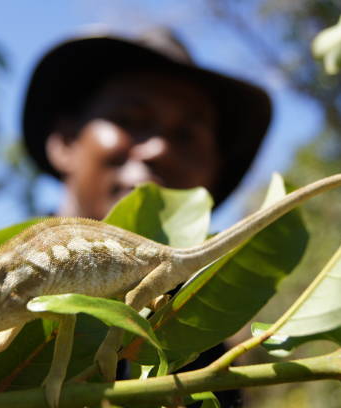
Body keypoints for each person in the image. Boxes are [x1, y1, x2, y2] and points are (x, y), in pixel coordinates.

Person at [20, 27, 272, 407]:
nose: (158, 148)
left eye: (186, 135)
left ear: (214, 172)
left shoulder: (207, 364)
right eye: (130, 118)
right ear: (66, 141)